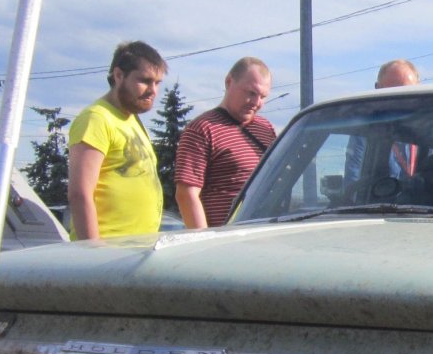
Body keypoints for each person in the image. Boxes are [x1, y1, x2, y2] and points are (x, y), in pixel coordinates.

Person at [67, 41, 167, 240]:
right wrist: (93, 252)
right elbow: (80, 194)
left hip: (136, 250)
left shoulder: (132, 120)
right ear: (119, 75)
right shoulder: (96, 118)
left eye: (157, 83)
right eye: (145, 80)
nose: (153, 90)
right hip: (107, 256)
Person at [174, 57, 276, 229]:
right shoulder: (202, 129)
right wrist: (204, 242)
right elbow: (186, 194)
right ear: (229, 82)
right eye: (251, 93)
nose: (257, 103)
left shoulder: (265, 129)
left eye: (263, 96)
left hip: (266, 236)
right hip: (226, 242)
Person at [344, 58, 421, 183]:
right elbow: (353, 179)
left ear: (419, 87)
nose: (399, 99)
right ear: (378, 89)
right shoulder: (365, 130)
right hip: (381, 201)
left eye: (407, 91)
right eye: (391, 92)